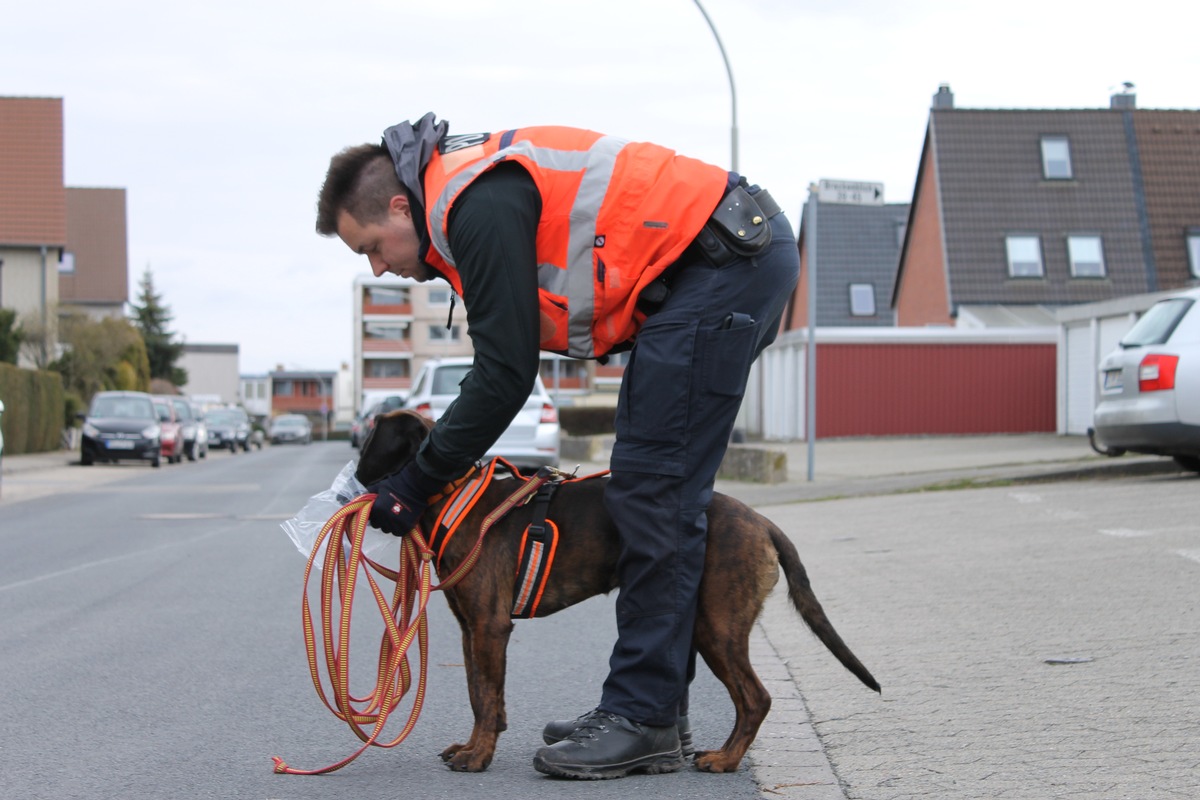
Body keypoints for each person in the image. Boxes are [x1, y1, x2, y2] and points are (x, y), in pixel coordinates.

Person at [316, 113, 799, 779]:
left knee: (654, 494)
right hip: (707, 273)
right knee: (647, 487)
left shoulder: (469, 205)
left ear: (401, 207)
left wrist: (416, 481)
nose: (379, 267)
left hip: (724, 263)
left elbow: (505, 375)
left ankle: (643, 716)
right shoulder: (461, 197)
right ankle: (653, 709)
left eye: (372, 245)